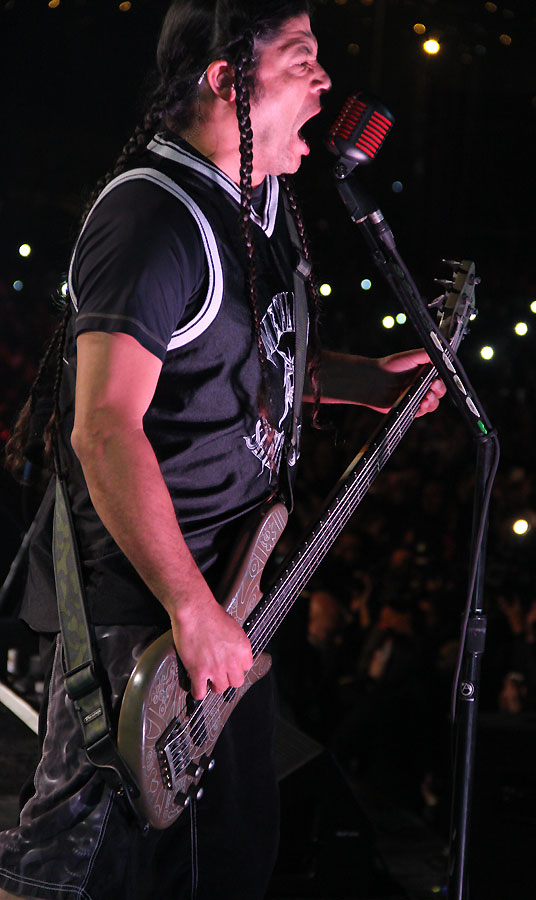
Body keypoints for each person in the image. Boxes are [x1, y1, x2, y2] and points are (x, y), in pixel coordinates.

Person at [0, 1, 445, 897]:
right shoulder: (152, 219)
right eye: (300, 57)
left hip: (226, 608)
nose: (325, 80)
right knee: (78, 874)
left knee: (226, 867)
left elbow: (241, 366)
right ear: (226, 79)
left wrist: (364, 381)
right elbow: (103, 426)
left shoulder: (259, 203)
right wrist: (190, 606)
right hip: (147, 617)